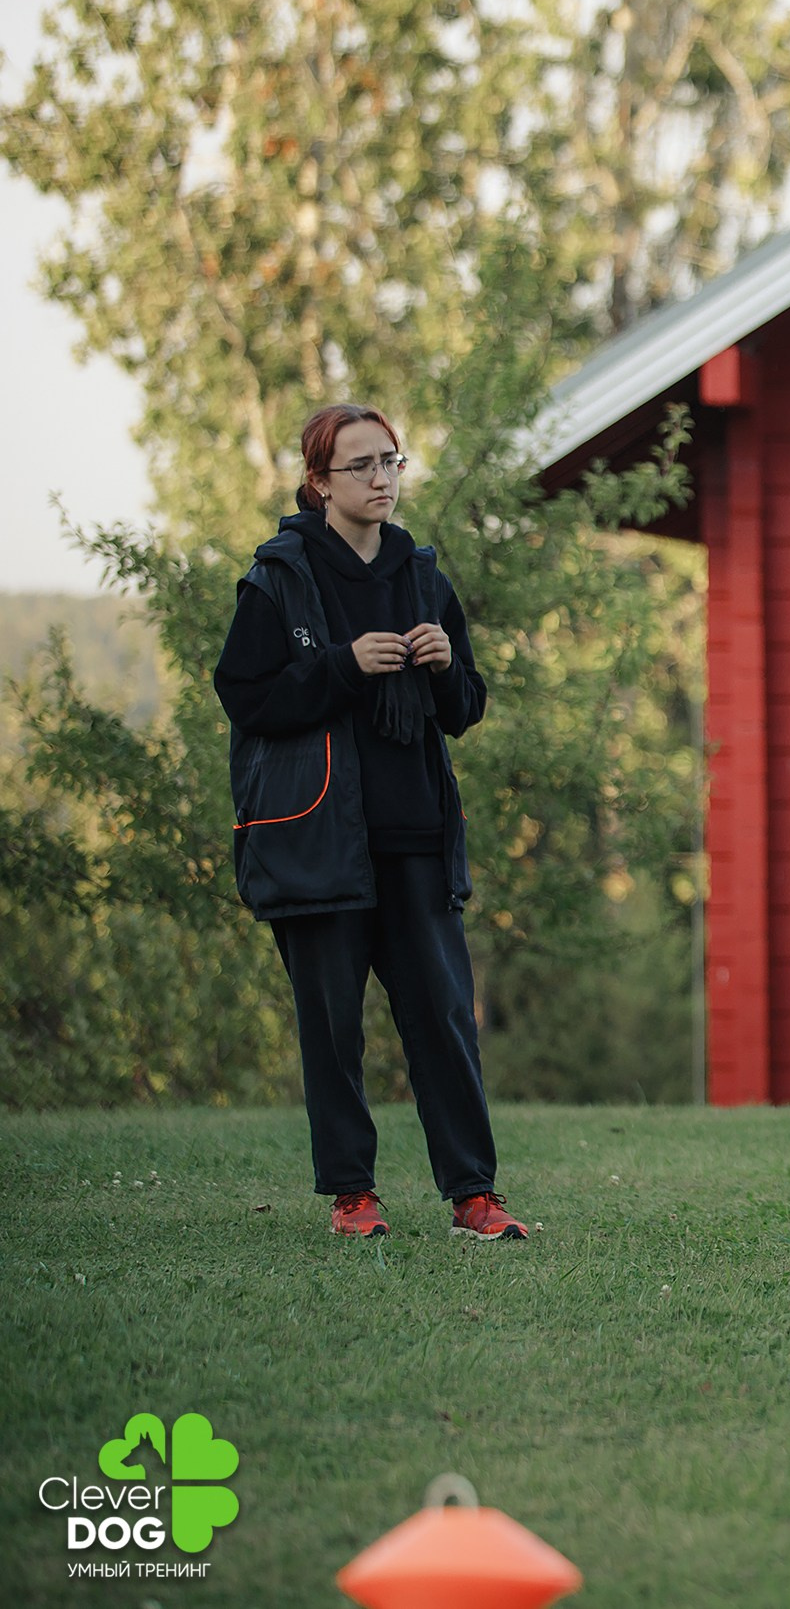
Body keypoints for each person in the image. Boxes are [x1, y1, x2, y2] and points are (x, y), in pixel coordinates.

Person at [214, 403, 526, 1242]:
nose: (382, 478)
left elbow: (464, 709)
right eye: (362, 465)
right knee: (333, 1028)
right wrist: (341, 668)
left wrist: (448, 665)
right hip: (319, 841)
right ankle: (354, 1196)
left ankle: (474, 1195)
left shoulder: (421, 573)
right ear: (320, 483)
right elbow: (246, 697)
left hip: (417, 838)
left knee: (444, 1023)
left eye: (391, 461)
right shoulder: (279, 576)